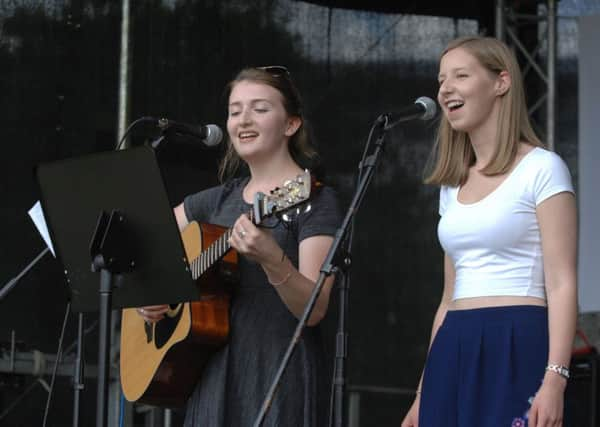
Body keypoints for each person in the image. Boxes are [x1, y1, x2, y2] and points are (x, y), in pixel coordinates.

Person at [137, 66, 341, 426]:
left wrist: (273, 260)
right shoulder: (216, 201)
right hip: (211, 379)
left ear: (291, 125)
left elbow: (315, 309)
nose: (243, 120)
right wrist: (149, 289)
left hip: (275, 378)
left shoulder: (313, 199)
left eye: (260, 109)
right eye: (234, 111)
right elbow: (143, 240)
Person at [401, 36, 577, 427]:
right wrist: (421, 393)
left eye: (461, 75)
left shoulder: (542, 169)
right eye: (440, 80)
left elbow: (562, 282)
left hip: (517, 337)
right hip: (454, 343)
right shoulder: (452, 186)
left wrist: (555, 379)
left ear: (501, 82)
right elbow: (447, 297)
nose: (445, 88)